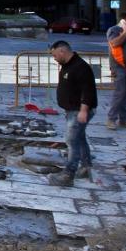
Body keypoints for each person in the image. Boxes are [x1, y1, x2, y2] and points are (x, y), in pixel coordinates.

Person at [46, 41, 98, 186]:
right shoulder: (67, 65)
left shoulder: (81, 67)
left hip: (79, 111)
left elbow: (88, 91)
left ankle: (68, 174)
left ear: (62, 51)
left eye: (55, 55)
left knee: (71, 141)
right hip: (72, 110)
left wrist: (83, 110)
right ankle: (86, 166)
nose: (54, 58)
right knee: (80, 138)